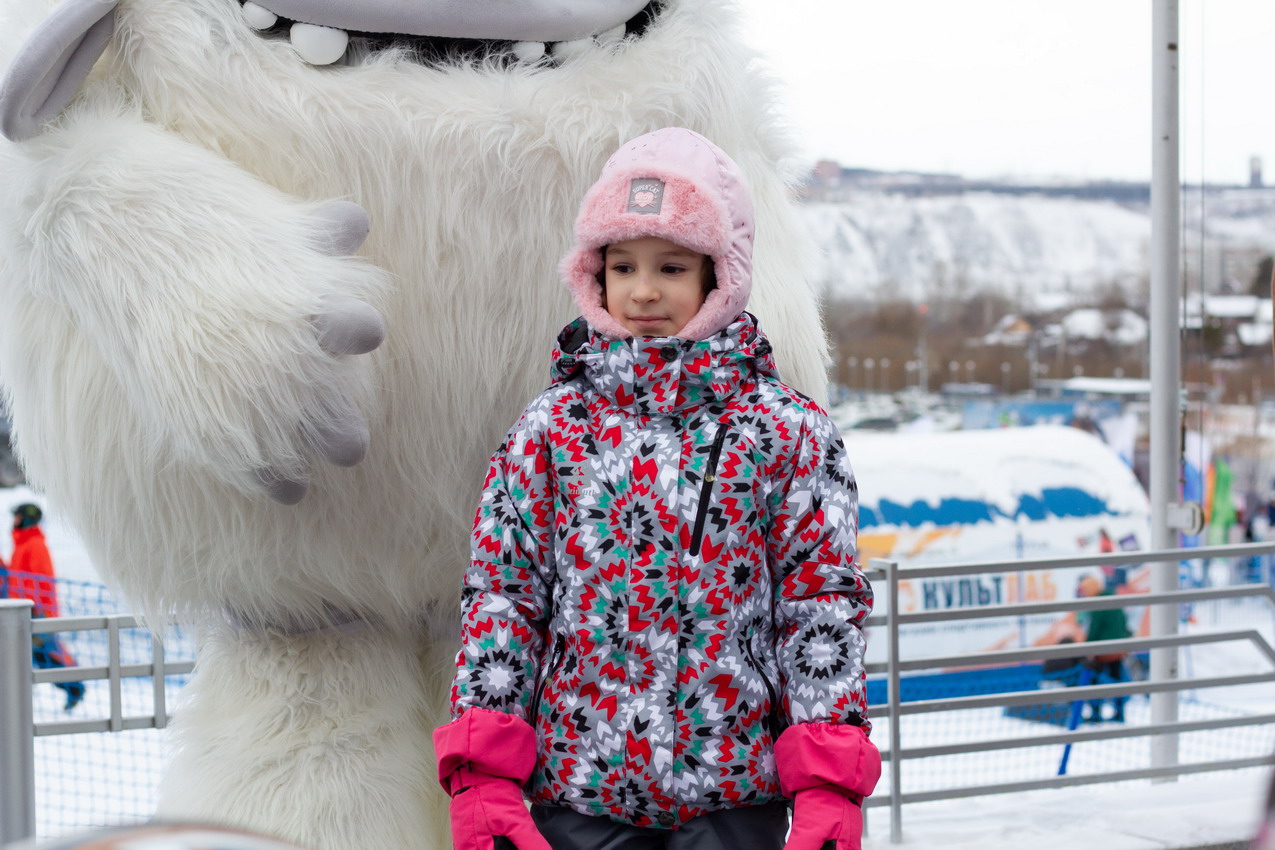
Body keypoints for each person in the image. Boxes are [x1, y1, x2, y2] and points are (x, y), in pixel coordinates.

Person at [433, 128, 880, 850]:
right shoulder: (551, 429)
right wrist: (483, 773)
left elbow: (818, 605)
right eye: (622, 266)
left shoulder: (784, 432)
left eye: (671, 267)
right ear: (594, 274)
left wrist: (829, 781)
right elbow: (505, 597)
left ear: (718, 274)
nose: (642, 290)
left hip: (731, 798)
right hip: (580, 795)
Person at [4, 503, 85, 711]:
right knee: (36, 656)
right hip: (24, 612)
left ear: (26, 518)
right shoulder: (22, 544)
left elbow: (41, 580)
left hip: (37, 613)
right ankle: (72, 687)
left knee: (47, 655)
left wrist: (36, 608)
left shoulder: (35, 545)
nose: (14, 520)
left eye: (17, 516)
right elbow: (16, 577)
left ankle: (75, 686)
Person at [1076, 573, 1130, 723]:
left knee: (1095, 682)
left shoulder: (1098, 603)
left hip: (1103, 651)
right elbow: (1124, 621)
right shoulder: (1113, 599)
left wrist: (1088, 648)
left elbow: (1095, 628)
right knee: (1117, 682)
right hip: (1118, 649)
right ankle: (1119, 713)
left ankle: (1095, 713)